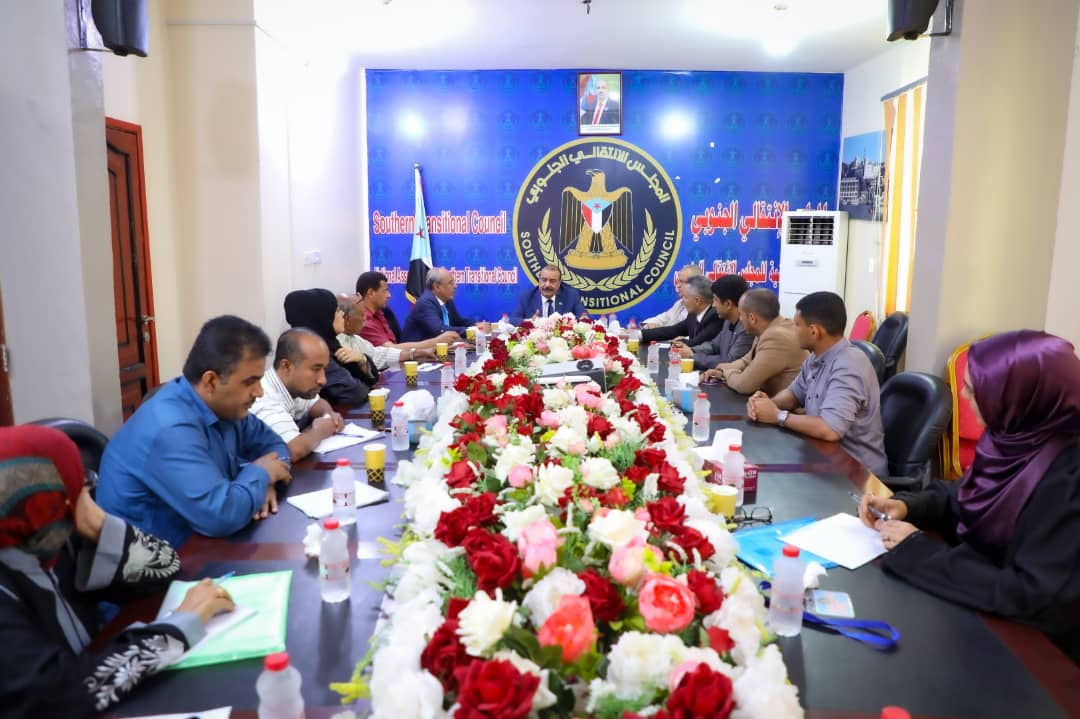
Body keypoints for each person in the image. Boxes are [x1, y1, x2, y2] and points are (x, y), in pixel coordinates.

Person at [859, 330, 1080, 666]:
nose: (963, 395)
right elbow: (962, 495)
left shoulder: (1068, 479)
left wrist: (918, 548)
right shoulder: (1012, 441)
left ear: (1018, 399)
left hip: (1038, 658)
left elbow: (1031, 595)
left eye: (974, 390)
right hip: (984, 623)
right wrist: (906, 505)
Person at [0, 425, 236, 718]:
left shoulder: (49, 539)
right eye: (74, 484)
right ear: (36, 499)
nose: (86, 490)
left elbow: (165, 568)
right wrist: (177, 629)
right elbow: (58, 693)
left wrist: (98, 523)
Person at [98, 316, 292, 547]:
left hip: (198, 545)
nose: (259, 392)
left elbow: (276, 445)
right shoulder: (171, 428)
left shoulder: (226, 409)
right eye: (250, 382)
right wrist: (262, 475)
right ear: (210, 381)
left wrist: (264, 483)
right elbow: (220, 516)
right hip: (150, 561)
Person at [747, 291, 887, 478]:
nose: (793, 330)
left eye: (797, 325)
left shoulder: (849, 365)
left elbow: (830, 429)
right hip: (823, 458)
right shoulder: (816, 357)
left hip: (856, 474)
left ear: (814, 331)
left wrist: (777, 416)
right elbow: (794, 394)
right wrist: (768, 404)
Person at [251, 327, 346, 462]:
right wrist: (319, 432)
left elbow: (317, 403)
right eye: (316, 369)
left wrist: (329, 414)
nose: (323, 380)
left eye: (324, 369)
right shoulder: (264, 397)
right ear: (286, 366)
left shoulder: (294, 386)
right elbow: (292, 450)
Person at [703, 289, 807, 396]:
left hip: (783, 405)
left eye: (741, 315)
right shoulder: (771, 327)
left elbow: (744, 385)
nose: (740, 319)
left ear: (752, 318)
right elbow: (746, 361)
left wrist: (726, 373)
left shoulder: (776, 337)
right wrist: (721, 371)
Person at [284, 289, 374, 408]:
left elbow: (369, 382)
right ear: (323, 318)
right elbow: (355, 393)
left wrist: (362, 361)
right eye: (336, 311)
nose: (341, 315)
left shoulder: (332, 344)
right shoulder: (312, 353)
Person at [355, 271, 453, 363]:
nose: (389, 295)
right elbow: (391, 350)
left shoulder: (381, 312)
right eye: (385, 291)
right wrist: (437, 342)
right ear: (371, 293)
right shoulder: (363, 321)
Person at [680, 275, 753, 368]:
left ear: (728, 304)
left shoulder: (747, 329)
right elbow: (713, 346)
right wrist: (692, 350)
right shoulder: (728, 321)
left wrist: (692, 357)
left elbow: (730, 361)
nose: (713, 305)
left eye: (715, 300)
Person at [640, 274, 723, 348]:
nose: (683, 301)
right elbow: (673, 330)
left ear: (697, 300)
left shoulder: (715, 316)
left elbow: (698, 343)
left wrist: (681, 341)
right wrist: (640, 335)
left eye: (685, 297)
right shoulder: (693, 315)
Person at [401, 267, 480, 342]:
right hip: (416, 351)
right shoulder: (425, 303)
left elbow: (459, 322)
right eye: (451, 283)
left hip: (437, 349)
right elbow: (440, 330)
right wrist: (473, 331)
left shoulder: (447, 299)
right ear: (437, 287)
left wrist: (477, 325)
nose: (455, 286)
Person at [510, 264, 587, 323]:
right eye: (544, 280)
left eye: (552, 281)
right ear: (539, 280)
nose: (547, 285)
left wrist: (568, 322)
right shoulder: (527, 296)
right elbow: (513, 320)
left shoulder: (571, 295)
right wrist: (531, 322)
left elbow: (584, 318)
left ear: (559, 283)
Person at [642, 264, 703, 329]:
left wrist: (660, 329)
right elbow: (664, 318)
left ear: (695, 284)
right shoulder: (680, 304)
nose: (677, 285)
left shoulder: (703, 308)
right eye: (678, 281)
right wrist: (648, 325)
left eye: (682, 282)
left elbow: (684, 332)